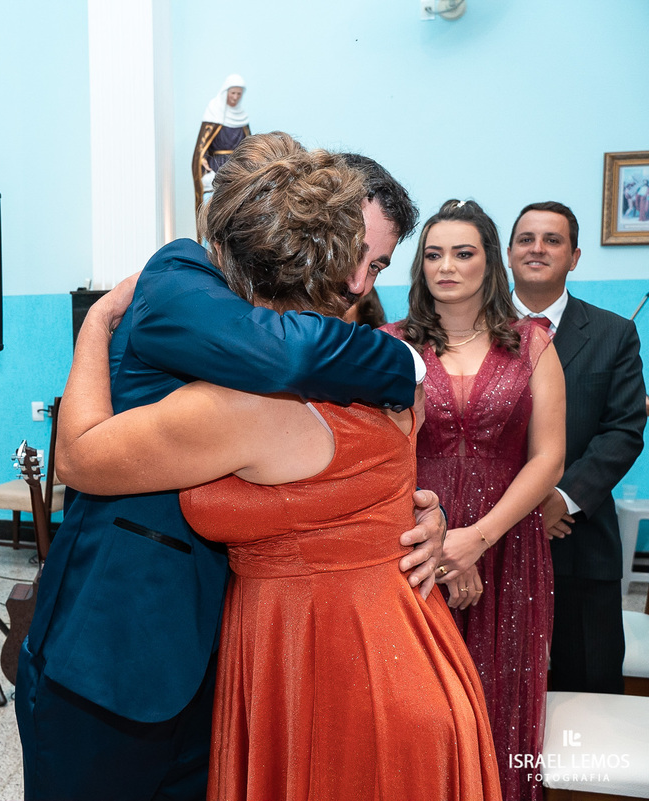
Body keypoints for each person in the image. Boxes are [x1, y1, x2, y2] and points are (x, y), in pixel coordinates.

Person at [54, 137, 500, 800]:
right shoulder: (195, 294)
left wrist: (404, 516)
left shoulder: (303, 386)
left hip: (330, 661)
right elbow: (292, 367)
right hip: (163, 645)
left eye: (378, 266)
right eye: (356, 255)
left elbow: (83, 455)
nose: (360, 285)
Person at [385, 200, 566, 801]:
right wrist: (441, 547)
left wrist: (476, 540)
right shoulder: (390, 346)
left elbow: (548, 459)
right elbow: (378, 456)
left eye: (463, 253)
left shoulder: (532, 344)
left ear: (490, 261)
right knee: (421, 709)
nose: (446, 267)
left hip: (509, 547)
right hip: (412, 549)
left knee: (499, 705)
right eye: (433, 254)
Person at [508, 201, 647, 694]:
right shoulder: (474, 329)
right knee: (487, 689)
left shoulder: (613, 333)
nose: (538, 249)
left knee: (589, 689)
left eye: (553, 240)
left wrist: (560, 500)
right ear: (509, 253)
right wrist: (520, 506)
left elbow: (624, 429)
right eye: (526, 239)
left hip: (579, 539)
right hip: (488, 539)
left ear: (575, 256)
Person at [191, 74, 251, 216]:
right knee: (215, 208)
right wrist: (203, 159)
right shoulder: (214, 112)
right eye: (233, 93)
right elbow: (202, 146)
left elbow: (248, 145)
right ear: (226, 92)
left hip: (237, 168)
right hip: (216, 166)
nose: (235, 97)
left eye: (239, 94)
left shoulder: (242, 117)